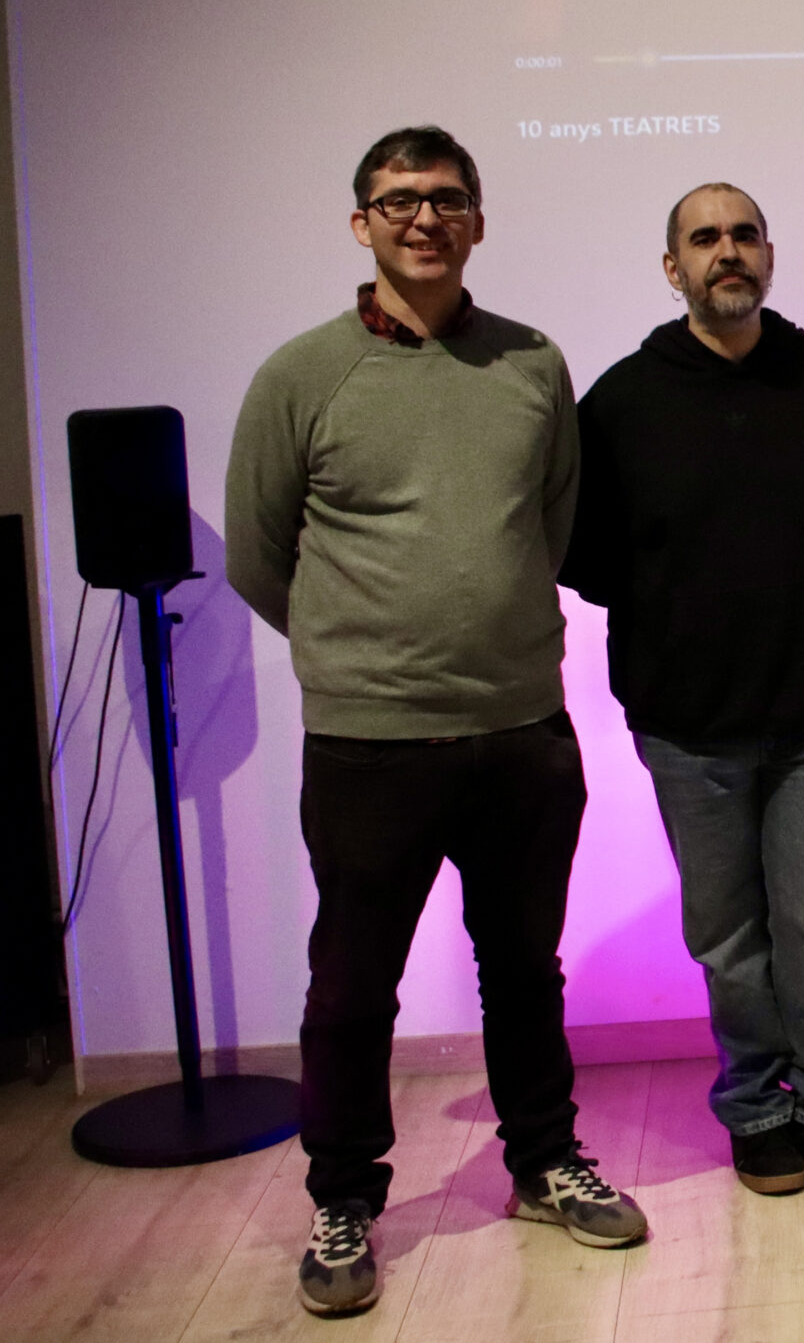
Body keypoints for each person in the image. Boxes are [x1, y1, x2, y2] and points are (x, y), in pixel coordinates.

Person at [226, 127, 646, 1319]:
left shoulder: (530, 362)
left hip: (521, 730)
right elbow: (260, 553)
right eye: (400, 199)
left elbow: (549, 526)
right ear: (362, 223)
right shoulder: (303, 375)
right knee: (352, 986)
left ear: (478, 222)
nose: (425, 217)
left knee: (523, 969)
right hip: (369, 742)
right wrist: (357, 653)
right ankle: (345, 1198)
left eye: (448, 198)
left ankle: (542, 1162)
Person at [560, 182, 804, 1197]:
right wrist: (683, 613)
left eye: (744, 234)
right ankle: (756, 1106)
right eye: (705, 238)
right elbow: (583, 552)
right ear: (674, 269)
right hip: (686, 722)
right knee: (728, 940)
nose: (728, 251)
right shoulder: (622, 401)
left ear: (769, 255)